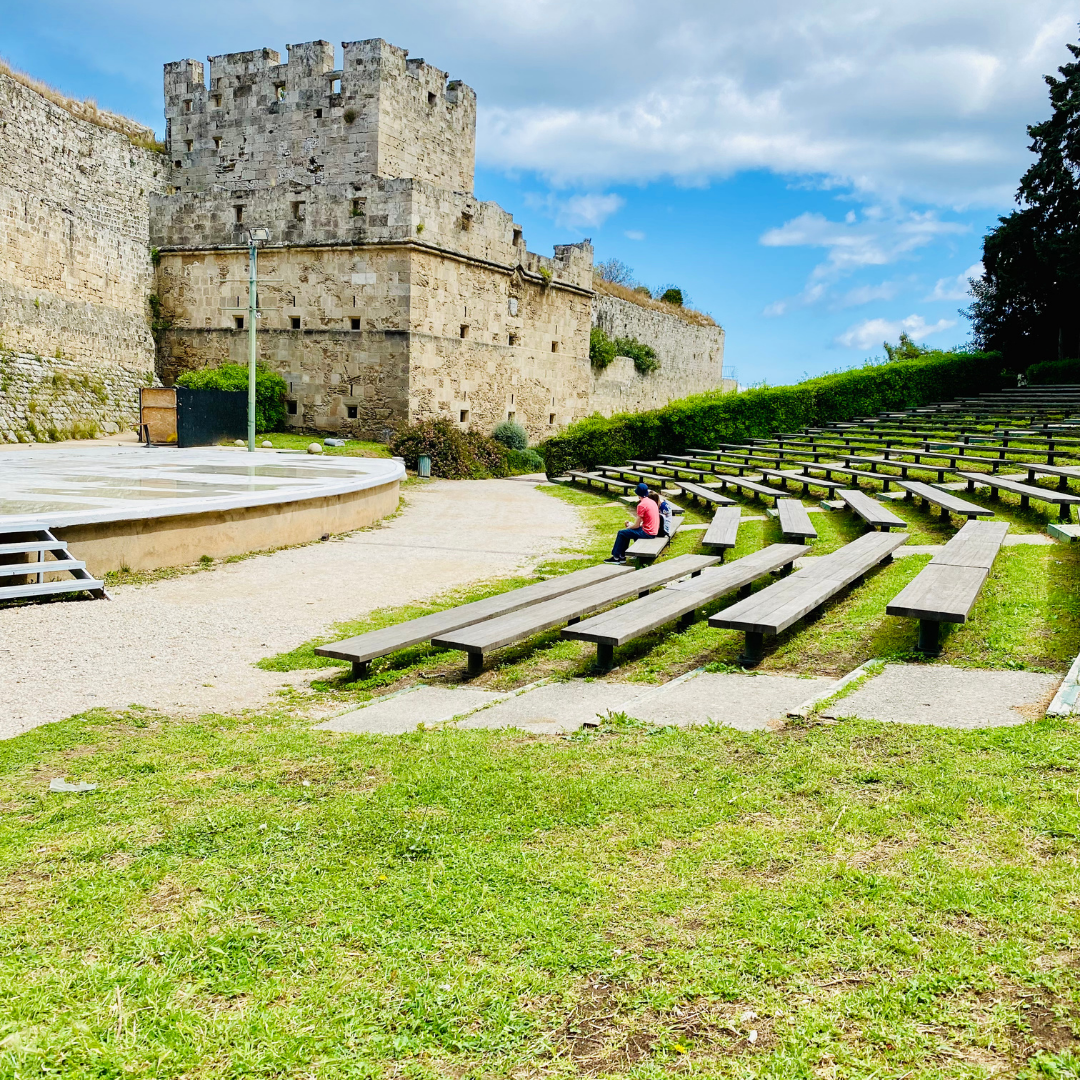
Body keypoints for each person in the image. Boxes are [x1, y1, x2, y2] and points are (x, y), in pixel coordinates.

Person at [605, 482, 659, 563]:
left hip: (647, 533)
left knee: (622, 533)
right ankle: (622, 557)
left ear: (638, 493)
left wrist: (629, 527)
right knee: (626, 533)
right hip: (653, 531)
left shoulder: (641, 505)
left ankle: (616, 557)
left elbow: (637, 525)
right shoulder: (652, 502)